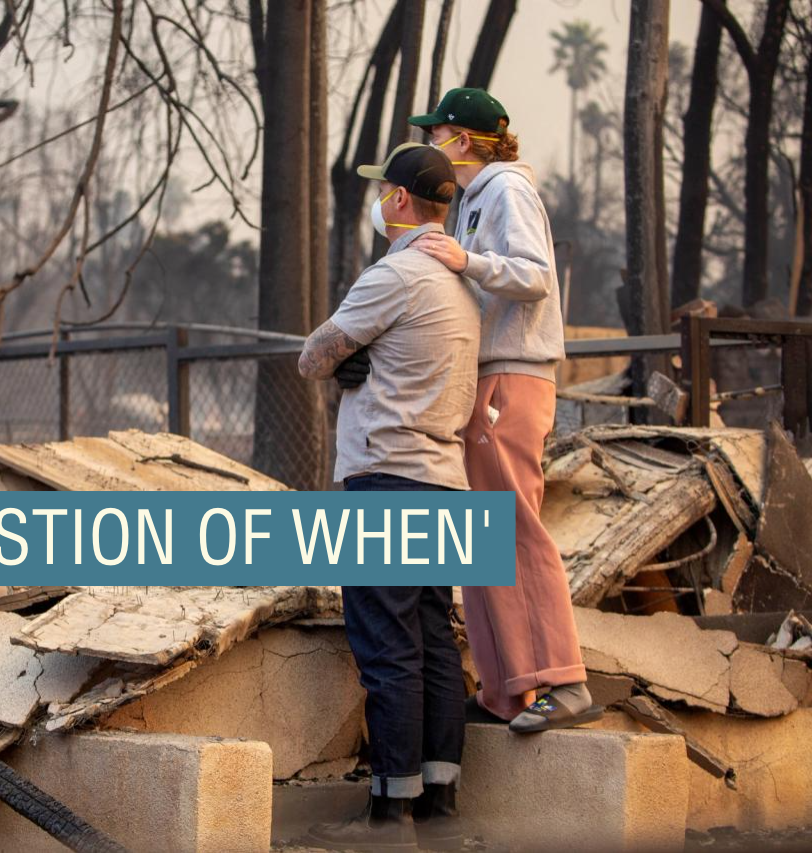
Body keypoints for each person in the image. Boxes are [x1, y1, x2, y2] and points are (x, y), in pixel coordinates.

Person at [297, 142, 479, 852]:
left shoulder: (395, 273)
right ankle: (438, 803)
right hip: (445, 479)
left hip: (385, 477)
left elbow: (312, 356)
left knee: (385, 645)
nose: (380, 201)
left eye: (384, 192)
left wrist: (345, 360)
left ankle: (385, 815)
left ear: (400, 200)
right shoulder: (461, 285)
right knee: (433, 639)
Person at [406, 87, 601, 733]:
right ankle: (505, 689)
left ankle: (561, 680)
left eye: (436, 134)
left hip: (512, 376)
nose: (431, 144)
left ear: (461, 140)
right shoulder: (476, 199)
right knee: (481, 541)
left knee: (513, 528)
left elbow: (534, 273)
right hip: (486, 376)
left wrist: (467, 260)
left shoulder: (506, 190)